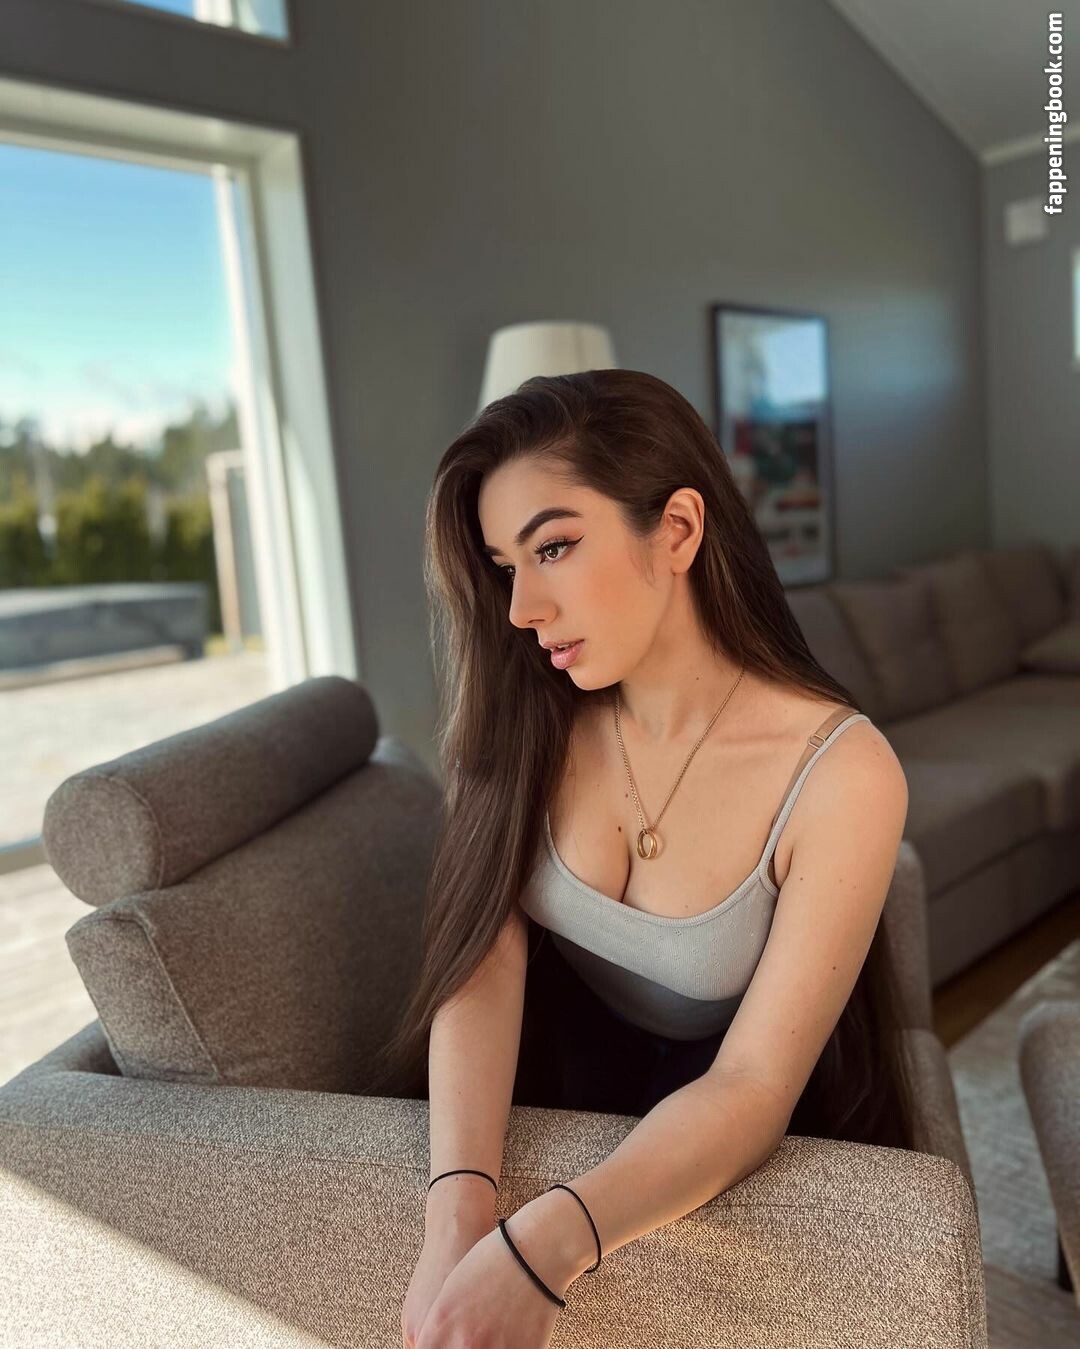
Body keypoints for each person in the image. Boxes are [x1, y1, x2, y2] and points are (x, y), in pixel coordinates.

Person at [375, 368, 917, 1349]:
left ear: (676, 529)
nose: (520, 607)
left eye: (554, 546)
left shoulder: (842, 771)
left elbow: (753, 1082)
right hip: (555, 1070)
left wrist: (545, 1244)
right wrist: (458, 1206)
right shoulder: (523, 716)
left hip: (742, 1106)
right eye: (504, 565)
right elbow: (481, 961)